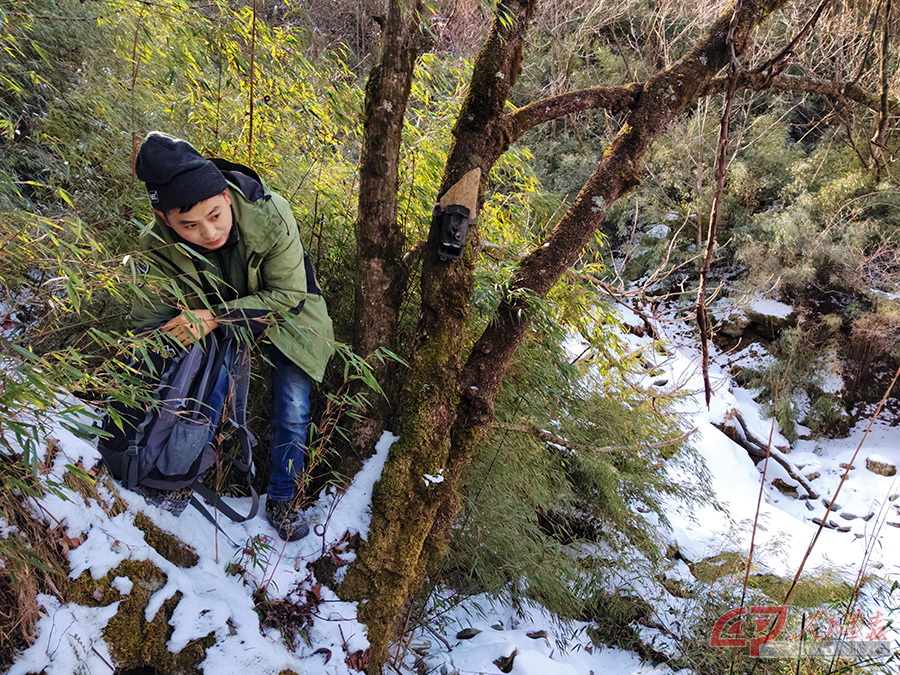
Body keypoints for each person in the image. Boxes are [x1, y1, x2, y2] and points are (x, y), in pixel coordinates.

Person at [130, 131, 334, 541]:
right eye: (189, 225)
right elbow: (149, 323)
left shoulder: (270, 212)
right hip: (212, 322)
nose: (208, 232)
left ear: (225, 195)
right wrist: (141, 371)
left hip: (289, 318)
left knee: (292, 405)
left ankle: (284, 499)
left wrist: (216, 317)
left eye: (215, 215)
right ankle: (175, 479)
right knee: (199, 394)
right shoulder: (154, 246)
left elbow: (289, 294)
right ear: (164, 220)